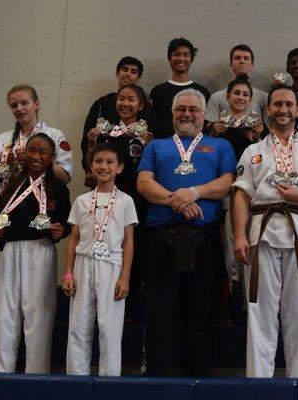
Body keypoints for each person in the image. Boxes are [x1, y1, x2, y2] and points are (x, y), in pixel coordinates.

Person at [232, 84, 298, 378]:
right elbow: (241, 195)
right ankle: (259, 386)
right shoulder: (253, 151)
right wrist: (239, 235)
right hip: (262, 234)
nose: (282, 109)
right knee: (260, 314)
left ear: (297, 109)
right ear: (268, 110)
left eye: (288, 104)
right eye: (277, 104)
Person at [137, 89, 236, 376]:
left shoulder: (220, 146)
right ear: (172, 114)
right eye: (181, 109)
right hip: (162, 237)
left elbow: (227, 183)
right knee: (159, 309)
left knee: (202, 309)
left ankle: (198, 375)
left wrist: (193, 192)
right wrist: (177, 201)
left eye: (193, 109)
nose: (187, 114)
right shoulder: (156, 146)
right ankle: (157, 374)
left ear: (204, 115)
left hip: (203, 239)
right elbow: (144, 184)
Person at [0, 133, 71, 373]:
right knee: (5, 312)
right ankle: (1, 372)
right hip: (10, 250)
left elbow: (66, 226)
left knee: (38, 315)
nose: (36, 156)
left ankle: (37, 374)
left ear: (52, 157)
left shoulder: (58, 188)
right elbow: (0, 221)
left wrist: (60, 231)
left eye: (42, 151)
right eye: (32, 150)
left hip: (40, 250)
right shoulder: (11, 185)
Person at [63, 142, 138, 376]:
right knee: (78, 325)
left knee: (110, 327)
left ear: (119, 167)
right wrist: (68, 272)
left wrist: (125, 277)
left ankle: (110, 381)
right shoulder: (82, 201)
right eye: (98, 161)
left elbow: (129, 241)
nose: (103, 166)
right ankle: (76, 380)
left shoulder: (126, 201)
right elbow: (73, 240)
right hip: (83, 264)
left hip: (112, 265)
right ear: (90, 166)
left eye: (109, 162)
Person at [0, 84, 73, 278]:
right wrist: (0, 160)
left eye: (24, 103)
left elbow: (66, 177)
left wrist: (37, 159)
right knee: (5, 274)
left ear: (36, 104)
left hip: (39, 210)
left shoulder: (54, 135)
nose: (19, 109)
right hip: (8, 210)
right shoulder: (3, 139)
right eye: (14, 105)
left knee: (36, 279)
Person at [85, 83, 151, 320]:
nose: (125, 103)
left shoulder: (147, 136)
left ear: (141, 105)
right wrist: (92, 145)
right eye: (121, 98)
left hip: (137, 204)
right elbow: (91, 168)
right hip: (105, 203)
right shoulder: (106, 133)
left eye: (131, 99)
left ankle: (131, 305)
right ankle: (98, 301)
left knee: (134, 251)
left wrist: (149, 144)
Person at [206, 74, 264, 280]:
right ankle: (232, 292)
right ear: (228, 96)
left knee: (251, 238)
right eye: (236, 93)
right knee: (230, 244)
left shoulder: (257, 128)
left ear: (250, 100)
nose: (240, 97)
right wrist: (213, 132)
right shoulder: (216, 126)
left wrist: (257, 137)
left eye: (245, 94)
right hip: (226, 188)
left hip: (251, 189)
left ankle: (248, 289)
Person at [81, 57, 146, 178]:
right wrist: (88, 169)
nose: (128, 74)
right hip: (103, 170)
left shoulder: (146, 108)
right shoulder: (101, 104)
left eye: (133, 72)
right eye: (124, 69)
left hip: (135, 173)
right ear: (117, 73)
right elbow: (88, 137)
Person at [149, 37, 210, 138]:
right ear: (169, 58)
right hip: (165, 148)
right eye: (177, 54)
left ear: (191, 59)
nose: (181, 59)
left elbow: (206, 124)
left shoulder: (202, 92)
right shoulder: (158, 91)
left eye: (185, 55)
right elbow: (153, 124)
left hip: (195, 148)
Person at [205, 44, 268, 124]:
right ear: (231, 65)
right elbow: (209, 130)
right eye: (237, 58)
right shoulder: (216, 98)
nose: (242, 61)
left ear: (252, 65)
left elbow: (268, 129)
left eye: (246, 58)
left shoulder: (264, 98)